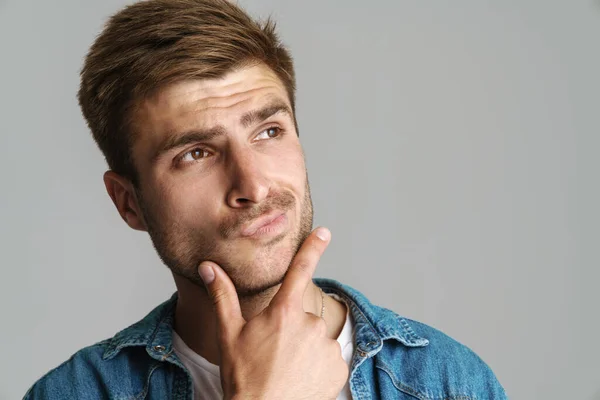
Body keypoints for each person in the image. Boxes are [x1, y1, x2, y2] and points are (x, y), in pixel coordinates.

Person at [24, 0, 507, 399]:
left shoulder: (450, 383)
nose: (252, 186)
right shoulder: (72, 393)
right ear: (129, 202)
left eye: (268, 131)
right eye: (196, 153)